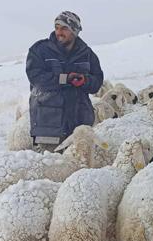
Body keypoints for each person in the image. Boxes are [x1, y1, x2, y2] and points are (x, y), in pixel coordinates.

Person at [26, 11, 104, 150]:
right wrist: (65, 79)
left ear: (74, 31)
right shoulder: (40, 50)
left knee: (80, 167)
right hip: (49, 124)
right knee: (53, 167)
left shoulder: (87, 54)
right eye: (57, 27)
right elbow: (36, 77)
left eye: (64, 28)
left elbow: (97, 82)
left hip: (80, 123)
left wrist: (84, 80)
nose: (59, 32)